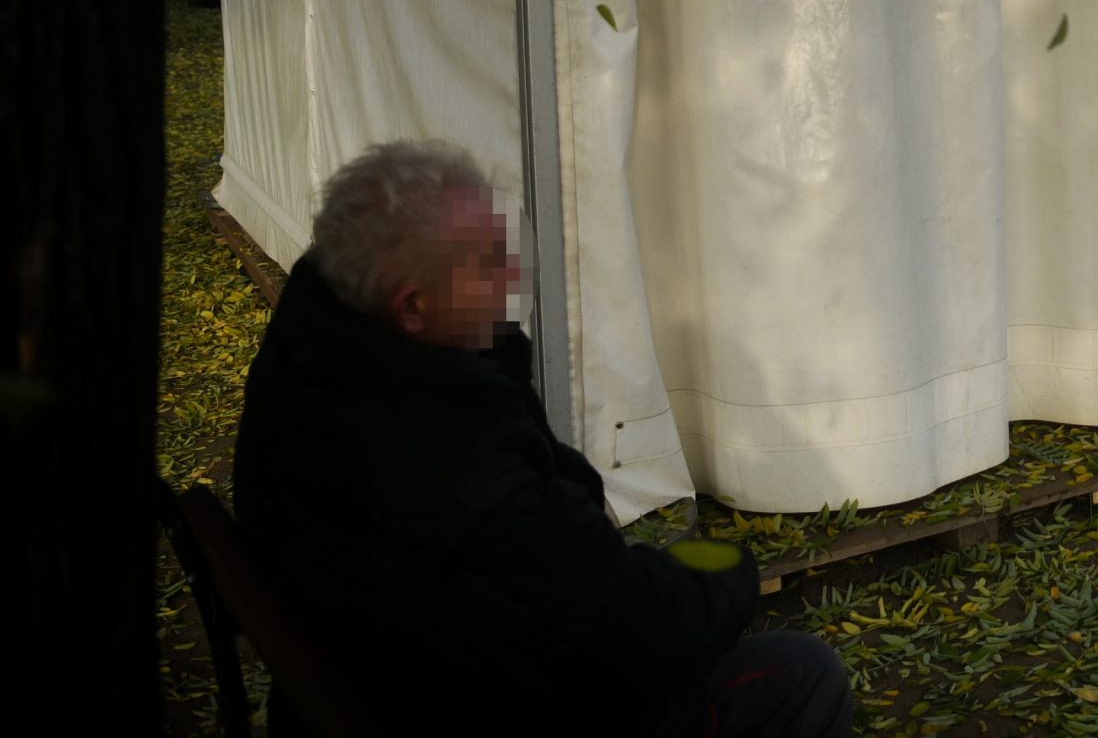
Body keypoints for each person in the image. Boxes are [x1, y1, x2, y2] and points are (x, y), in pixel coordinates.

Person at [234, 141, 851, 738]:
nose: (512, 281)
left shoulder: (317, 348)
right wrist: (728, 574)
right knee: (804, 672)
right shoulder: (452, 447)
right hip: (480, 703)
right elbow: (635, 623)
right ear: (413, 306)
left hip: (388, 669)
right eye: (488, 266)